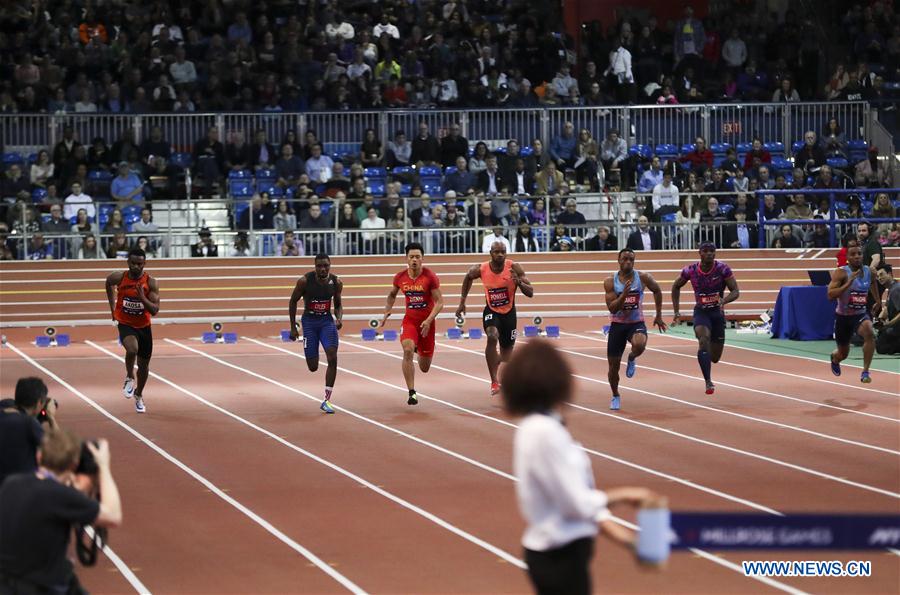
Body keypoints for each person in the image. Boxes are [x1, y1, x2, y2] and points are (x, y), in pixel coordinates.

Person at [503, 340, 666, 595]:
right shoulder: (544, 433)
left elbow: (577, 503)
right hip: (558, 557)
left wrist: (630, 541)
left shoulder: (539, 427)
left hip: (560, 554)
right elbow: (577, 504)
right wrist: (627, 495)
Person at [0, 430, 122, 594]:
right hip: (40, 586)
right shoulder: (59, 495)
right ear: (73, 464)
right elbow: (113, 516)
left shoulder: (11, 483)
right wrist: (104, 466)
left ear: (39, 456)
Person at [456, 242, 534, 396]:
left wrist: (518, 282)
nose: (500, 255)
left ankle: (495, 360)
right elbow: (468, 277)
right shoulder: (481, 268)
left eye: (503, 252)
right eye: (497, 252)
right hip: (491, 311)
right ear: (490, 253)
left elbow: (530, 292)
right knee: (492, 336)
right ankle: (494, 381)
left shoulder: (514, 268)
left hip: (509, 314)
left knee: (506, 356)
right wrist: (462, 302)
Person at [671, 243, 740, 394]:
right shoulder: (690, 270)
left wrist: (724, 300)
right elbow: (675, 286)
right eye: (706, 251)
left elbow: (735, 291)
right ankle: (708, 382)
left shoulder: (723, 269)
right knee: (703, 339)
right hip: (701, 313)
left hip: (717, 314)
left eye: (712, 251)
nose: (709, 254)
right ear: (699, 253)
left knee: (714, 357)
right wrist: (677, 312)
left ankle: (705, 357)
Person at [380, 242, 444, 405]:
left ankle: (420, 347)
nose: (414, 260)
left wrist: (429, 321)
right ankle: (412, 392)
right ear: (406, 259)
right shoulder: (400, 277)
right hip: (410, 321)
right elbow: (392, 295)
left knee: (424, 367)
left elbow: (440, 302)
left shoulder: (430, 277)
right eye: (411, 257)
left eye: (417, 257)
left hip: (427, 324)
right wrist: (387, 311)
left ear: (422, 259)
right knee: (407, 350)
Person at [603, 249, 667, 410]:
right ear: (618, 260)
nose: (628, 262)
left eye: (631, 260)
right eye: (625, 259)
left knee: (640, 344)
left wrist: (658, 315)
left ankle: (631, 357)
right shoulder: (610, 281)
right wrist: (623, 295)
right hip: (617, 325)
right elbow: (612, 308)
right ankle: (615, 395)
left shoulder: (643, 277)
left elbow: (657, 290)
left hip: (635, 322)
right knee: (613, 368)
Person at [105, 248, 160, 413]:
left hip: (144, 327)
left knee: (144, 367)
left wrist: (142, 297)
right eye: (133, 263)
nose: (136, 267)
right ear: (128, 262)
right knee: (132, 349)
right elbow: (108, 283)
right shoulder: (119, 277)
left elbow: (155, 310)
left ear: (144, 264)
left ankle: (139, 394)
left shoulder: (151, 283)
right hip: (125, 323)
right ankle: (129, 376)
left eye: (140, 264)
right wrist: (112, 309)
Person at [288, 254, 344, 414]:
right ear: (315, 266)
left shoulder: (336, 282)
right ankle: (313, 351)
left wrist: (339, 318)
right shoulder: (304, 281)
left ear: (330, 265)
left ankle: (327, 399)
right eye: (319, 266)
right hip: (310, 323)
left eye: (326, 265)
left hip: (326, 322)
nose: (323, 269)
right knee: (313, 366)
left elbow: (339, 304)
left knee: (332, 357)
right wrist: (293, 327)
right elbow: (292, 302)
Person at [827, 244, 880, 382]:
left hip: (860, 315)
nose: (857, 256)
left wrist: (878, 301)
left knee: (869, 332)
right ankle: (835, 358)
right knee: (843, 354)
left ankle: (865, 372)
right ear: (847, 258)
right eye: (853, 254)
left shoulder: (870, 271)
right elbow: (830, 295)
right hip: (843, 318)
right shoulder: (841, 273)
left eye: (859, 253)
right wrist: (848, 283)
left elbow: (873, 282)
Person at [0, 378, 57, 486]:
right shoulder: (29, 424)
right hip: (17, 489)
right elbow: (60, 451)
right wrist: (51, 418)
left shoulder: (3, 406)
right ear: (40, 403)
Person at [875, 265, 900, 355]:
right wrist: (880, 319)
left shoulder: (896, 290)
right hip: (895, 328)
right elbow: (886, 308)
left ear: (889, 274)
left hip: (897, 329)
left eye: (882, 274)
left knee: (881, 347)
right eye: (877, 276)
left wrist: (888, 324)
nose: (879, 278)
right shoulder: (891, 289)